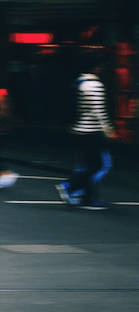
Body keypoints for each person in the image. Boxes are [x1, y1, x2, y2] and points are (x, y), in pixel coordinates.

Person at [55, 50, 116, 210]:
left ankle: (88, 199)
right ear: (96, 67)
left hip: (77, 130)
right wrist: (108, 129)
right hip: (91, 132)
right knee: (96, 165)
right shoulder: (95, 84)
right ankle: (70, 187)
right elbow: (98, 110)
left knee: (87, 164)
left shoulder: (79, 81)